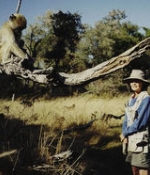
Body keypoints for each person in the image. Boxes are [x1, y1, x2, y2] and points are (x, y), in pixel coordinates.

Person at [120, 69, 150, 175]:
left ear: (143, 83)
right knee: (134, 169)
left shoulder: (146, 99)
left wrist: (125, 133)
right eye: (132, 81)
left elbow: (140, 123)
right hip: (131, 140)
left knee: (142, 168)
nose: (134, 83)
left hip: (141, 141)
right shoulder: (130, 99)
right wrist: (124, 135)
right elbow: (126, 119)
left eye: (137, 81)